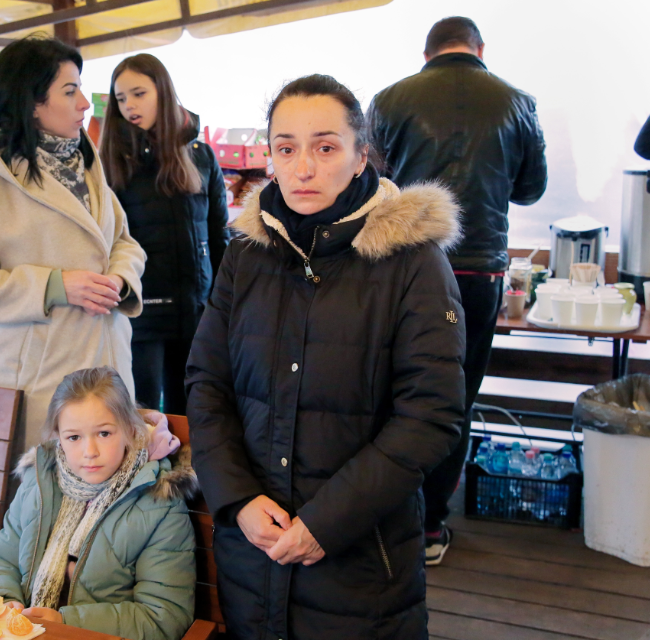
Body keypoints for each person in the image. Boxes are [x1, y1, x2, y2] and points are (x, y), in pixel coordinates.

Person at [186, 75, 466, 639]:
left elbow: (431, 415)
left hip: (363, 562)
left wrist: (325, 522)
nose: (303, 167)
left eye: (326, 147)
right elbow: (206, 382)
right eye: (286, 148)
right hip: (254, 555)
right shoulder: (247, 254)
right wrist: (237, 499)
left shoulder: (412, 263)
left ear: (362, 157)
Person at [367, 16, 548, 565]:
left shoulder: (389, 99)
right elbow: (532, 189)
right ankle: (430, 527)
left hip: (406, 263)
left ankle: (382, 514)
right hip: (479, 270)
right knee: (456, 396)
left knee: (388, 388)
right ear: (479, 50)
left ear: (426, 54)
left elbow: (373, 179)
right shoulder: (518, 102)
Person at [0, 36, 146, 453]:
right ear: (32, 103)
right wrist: (55, 286)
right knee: (42, 503)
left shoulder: (85, 164)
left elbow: (123, 240)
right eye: (70, 91)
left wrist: (120, 279)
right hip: (40, 381)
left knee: (111, 499)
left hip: (107, 366)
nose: (85, 103)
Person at [0, 366, 197, 640]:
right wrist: (2, 601)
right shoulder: (39, 483)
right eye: (74, 437)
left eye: (104, 434)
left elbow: (164, 616)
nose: (89, 452)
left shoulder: (160, 503)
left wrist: (65, 622)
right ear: (58, 437)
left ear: (129, 428)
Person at [99, 54, 229, 414]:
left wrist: (223, 302)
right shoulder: (114, 160)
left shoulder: (202, 156)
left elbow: (219, 238)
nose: (129, 106)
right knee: (143, 414)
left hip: (197, 310)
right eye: (121, 98)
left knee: (191, 410)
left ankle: (188, 474)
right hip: (143, 312)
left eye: (138, 93)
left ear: (164, 92)